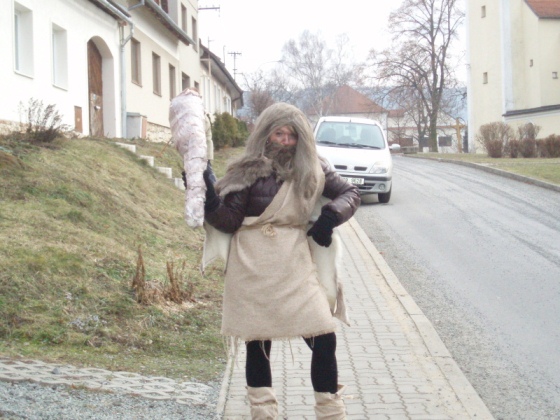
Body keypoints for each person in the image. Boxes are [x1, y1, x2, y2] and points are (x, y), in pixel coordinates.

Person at [201, 102, 360, 419]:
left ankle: (330, 412)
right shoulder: (246, 169)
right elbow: (229, 221)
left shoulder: (314, 167)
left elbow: (351, 193)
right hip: (251, 265)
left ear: (302, 138)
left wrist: (330, 217)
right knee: (258, 344)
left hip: (295, 263)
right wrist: (208, 195)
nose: (285, 141)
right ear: (265, 133)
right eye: (279, 134)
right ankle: (264, 414)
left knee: (323, 336)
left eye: (292, 135)